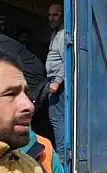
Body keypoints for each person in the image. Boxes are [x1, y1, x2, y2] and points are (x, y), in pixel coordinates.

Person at [46, 3, 66, 161]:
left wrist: (57, 81)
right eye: (50, 15)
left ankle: (61, 154)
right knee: (55, 116)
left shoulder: (61, 35)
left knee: (57, 117)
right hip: (52, 79)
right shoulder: (55, 33)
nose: (52, 18)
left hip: (57, 82)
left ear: (63, 15)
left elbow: (67, 61)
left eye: (55, 15)